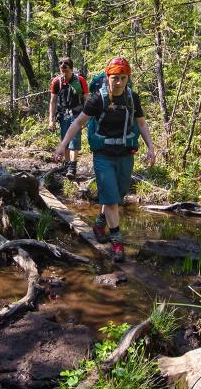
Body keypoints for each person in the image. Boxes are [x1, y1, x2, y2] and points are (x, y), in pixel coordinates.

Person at [54, 57, 155, 262]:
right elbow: (78, 122)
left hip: (126, 153)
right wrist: (63, 145)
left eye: (123, 78)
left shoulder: (132, 97)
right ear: (107, 77)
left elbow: (142, 124)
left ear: (128, 79)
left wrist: (151, 147)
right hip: (103, 155)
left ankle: (100, 223)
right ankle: (116, 243)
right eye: (115, 77)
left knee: (119, 194)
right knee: (111, 199)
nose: (118, 82)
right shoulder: (98, 99)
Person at [49, 57, 88, 177]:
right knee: (64, 139)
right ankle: (66, 165)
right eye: (62, 71)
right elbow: (53, 101)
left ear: (71, 69)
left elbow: (86, 98)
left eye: (66, 71)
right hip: (62, 114)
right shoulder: (57, 82)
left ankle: (72, 166)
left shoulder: (80, 80)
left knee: (75, 139)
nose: (64, 74)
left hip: (77, 114)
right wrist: (51, 120)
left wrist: (85, 118)